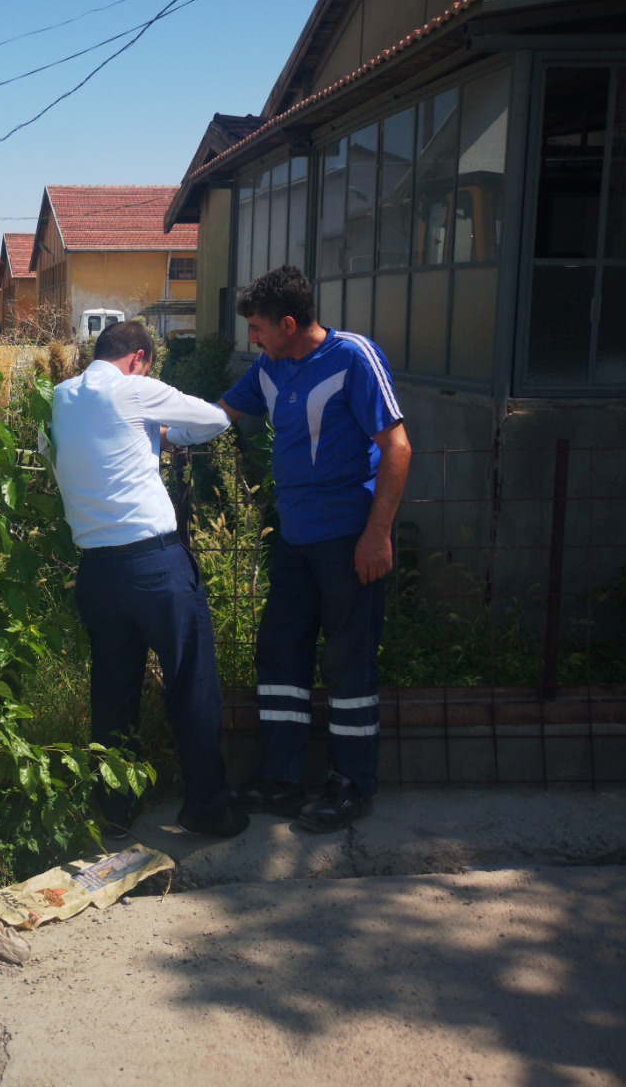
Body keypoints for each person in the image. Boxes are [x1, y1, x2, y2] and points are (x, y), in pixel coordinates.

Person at [218, 266, 412, 833]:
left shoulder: (353, 357)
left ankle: (350, 785)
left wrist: (377, 535)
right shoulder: (268, 367)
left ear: (286, 323)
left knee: (348, 663)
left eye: (256, 327)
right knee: (281, 655)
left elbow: (397, 447)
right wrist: (152, 427)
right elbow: (220, 414)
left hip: (350, 541)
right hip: (295, 539)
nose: (251, 338)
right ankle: (280, 780)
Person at [46, 321, 245, 840]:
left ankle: (114, 807)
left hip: (97, 571)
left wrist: (148, 434)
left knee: (112, 691)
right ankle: (207, 806)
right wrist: (167, 430)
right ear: (138, 358)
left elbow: (63, 454)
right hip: (153, 566)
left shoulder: (63, 396)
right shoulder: (135, 388)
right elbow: (212, 421)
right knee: (191, 682)